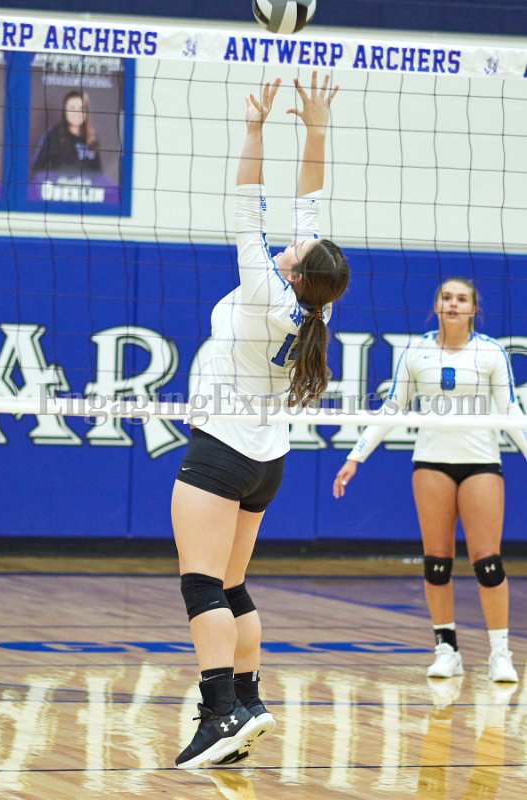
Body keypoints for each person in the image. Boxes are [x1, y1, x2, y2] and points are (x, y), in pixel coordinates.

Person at [172, 72, 349, 769]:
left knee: (201, 584)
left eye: (293, 253)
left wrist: (253, 130)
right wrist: (315, 130)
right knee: (230, 583)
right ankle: (247, 704)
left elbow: (249, 205)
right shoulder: (317, 308)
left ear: (297, 276)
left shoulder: (260, 290)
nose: (286, 246)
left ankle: (218, 714)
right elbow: (310, 207)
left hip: (220, 452)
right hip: (266, 462)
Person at [333, 278, 527, 682]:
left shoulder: (491, 352)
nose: (453, 304)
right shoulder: (417, 351)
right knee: (437, 562)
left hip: (480, 464)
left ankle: (500, 653)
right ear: (436, 305)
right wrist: (356, 456)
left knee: (488, 563)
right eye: (446, 297)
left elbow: (511, 412)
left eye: (462, 299)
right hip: (431, 464)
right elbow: (392, 408)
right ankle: (446, 649)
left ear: (473, 309)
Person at [31, 90, 102, 177]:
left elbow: (98, 173)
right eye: (72, 108)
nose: (77, 113)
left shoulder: (92, 138)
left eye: (81, 108)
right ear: (65, 111)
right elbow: (37, 169)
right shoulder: (53, 135)